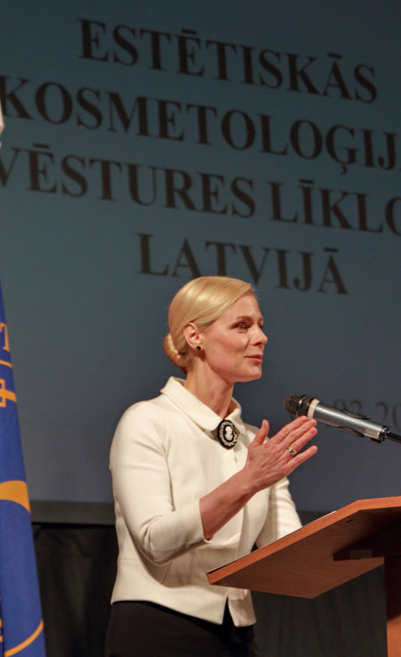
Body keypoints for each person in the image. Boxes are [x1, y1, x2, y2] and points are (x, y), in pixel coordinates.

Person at [105, 276, 318, 657]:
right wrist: (247, 481)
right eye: (242, 326)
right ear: (194, 336)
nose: (261, 337)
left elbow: (288, 555)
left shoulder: (255, 443)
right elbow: (155, 541)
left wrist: (360, 533)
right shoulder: (147, 420)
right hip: (158, 627)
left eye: (260, 325)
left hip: (237, 634)